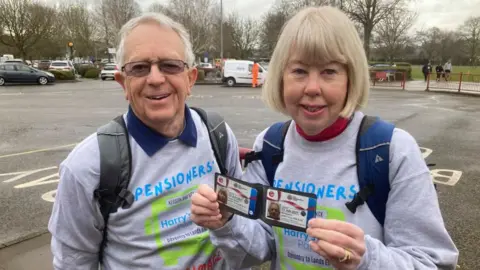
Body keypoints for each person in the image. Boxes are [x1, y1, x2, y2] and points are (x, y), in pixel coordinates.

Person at [190, 6, 459, 270]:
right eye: (299, 71)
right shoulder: (271, 145)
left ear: (350, 79)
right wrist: (227, 221)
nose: (312, 88)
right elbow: (260, 247)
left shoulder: (392, 151)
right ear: (281, 78)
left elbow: (433, 261)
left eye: (329, 71)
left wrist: (366, 260)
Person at [48, 12, 245, 270]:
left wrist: (227, 223)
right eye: (139, 68)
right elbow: (73, 263)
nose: (155, 79)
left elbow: (243, 230)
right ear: (123, 83)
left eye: (170, 65)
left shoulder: (218, 135)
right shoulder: (87, 166)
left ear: (190, 79)